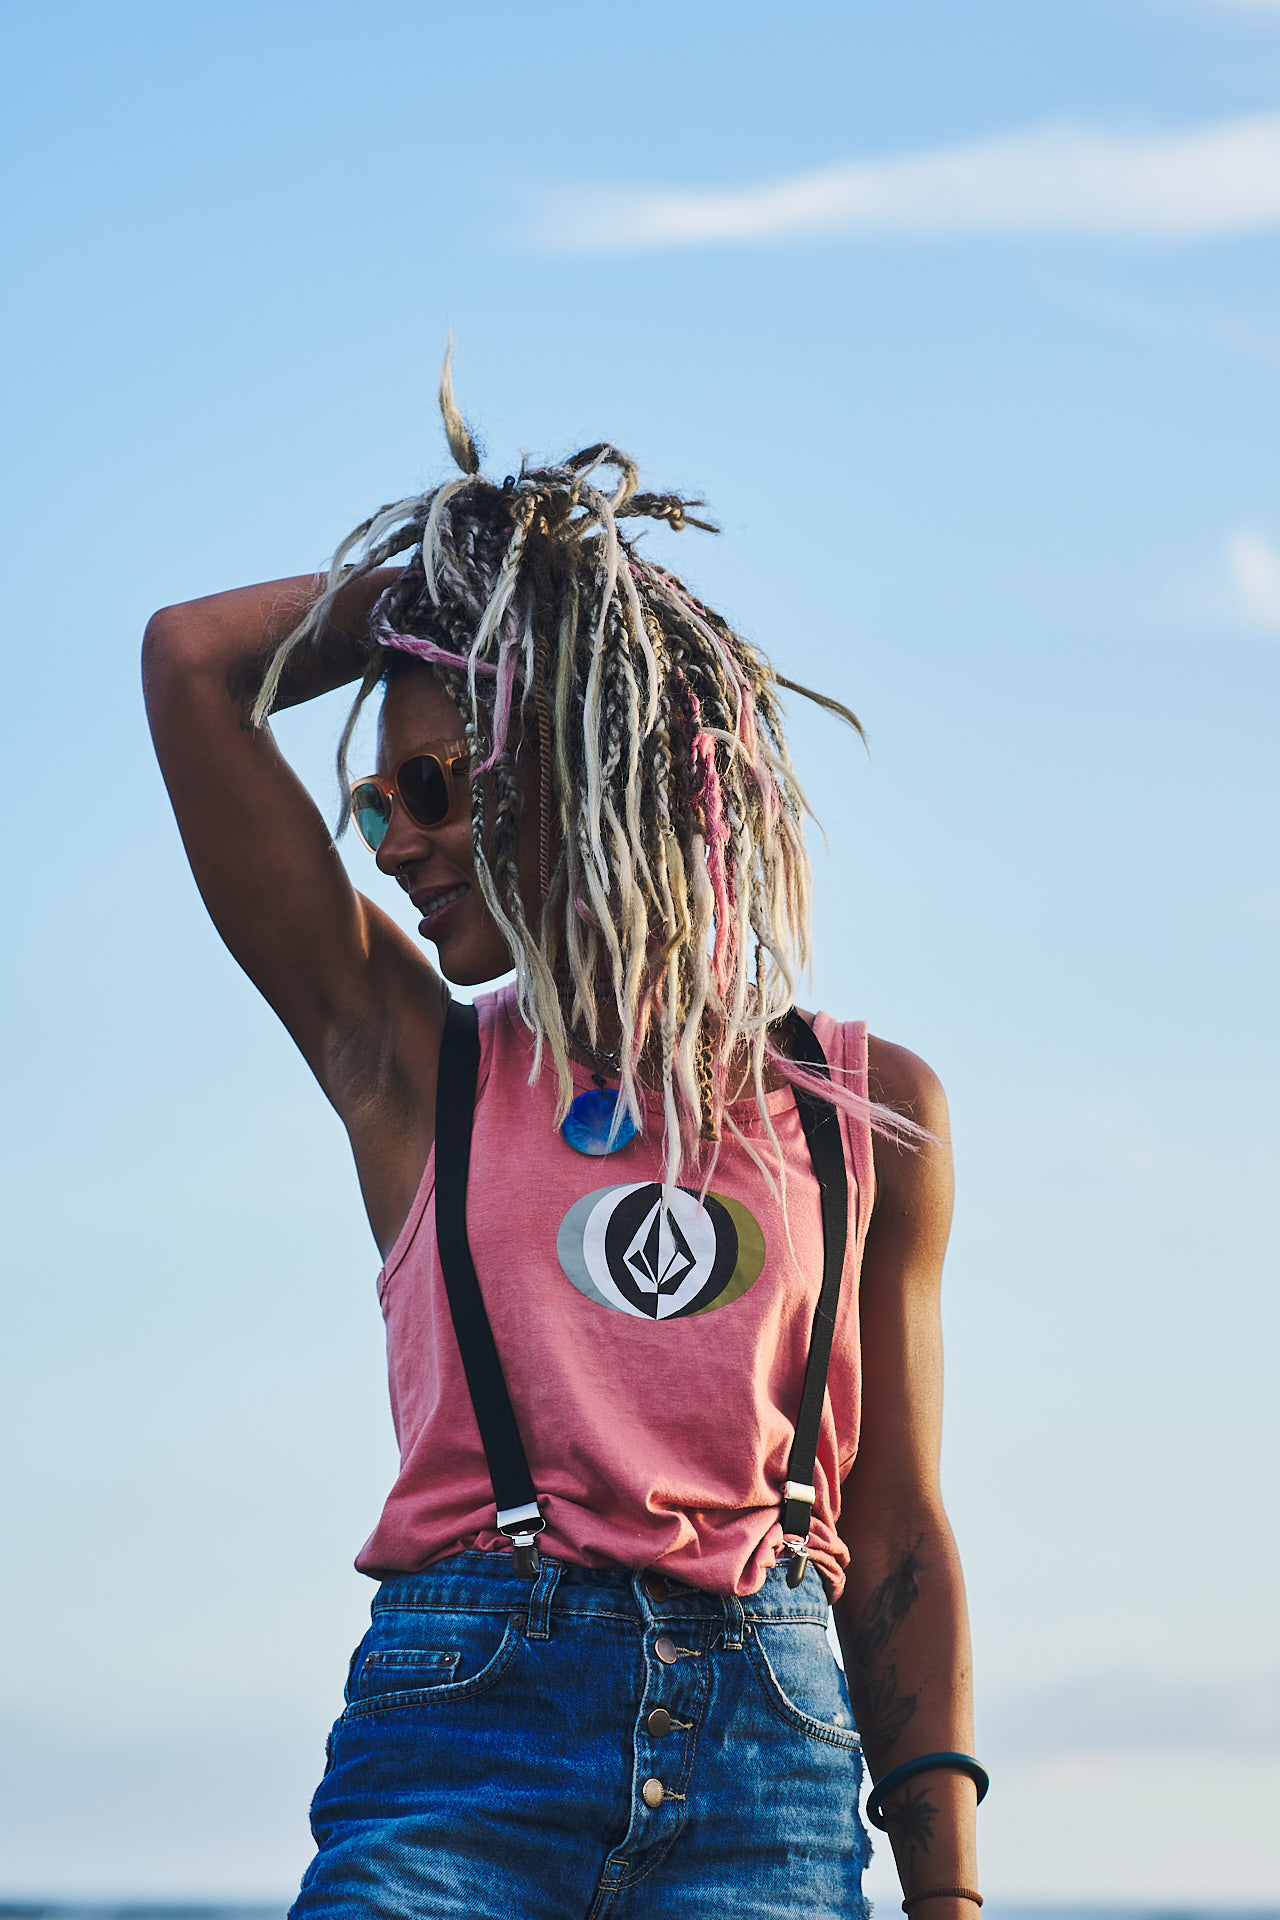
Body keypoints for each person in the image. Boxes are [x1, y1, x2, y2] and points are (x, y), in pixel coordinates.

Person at [143, 354, 983, 1920]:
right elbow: (192, 662)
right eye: (373, 807)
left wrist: (948, 1895)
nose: (392, 841)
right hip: (464, 1747)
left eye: (429, 787)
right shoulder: (417, 1067)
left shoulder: (868, 1111)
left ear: (571, 756)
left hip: (771, 1777)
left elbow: (895, 1528)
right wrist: (480, 595)